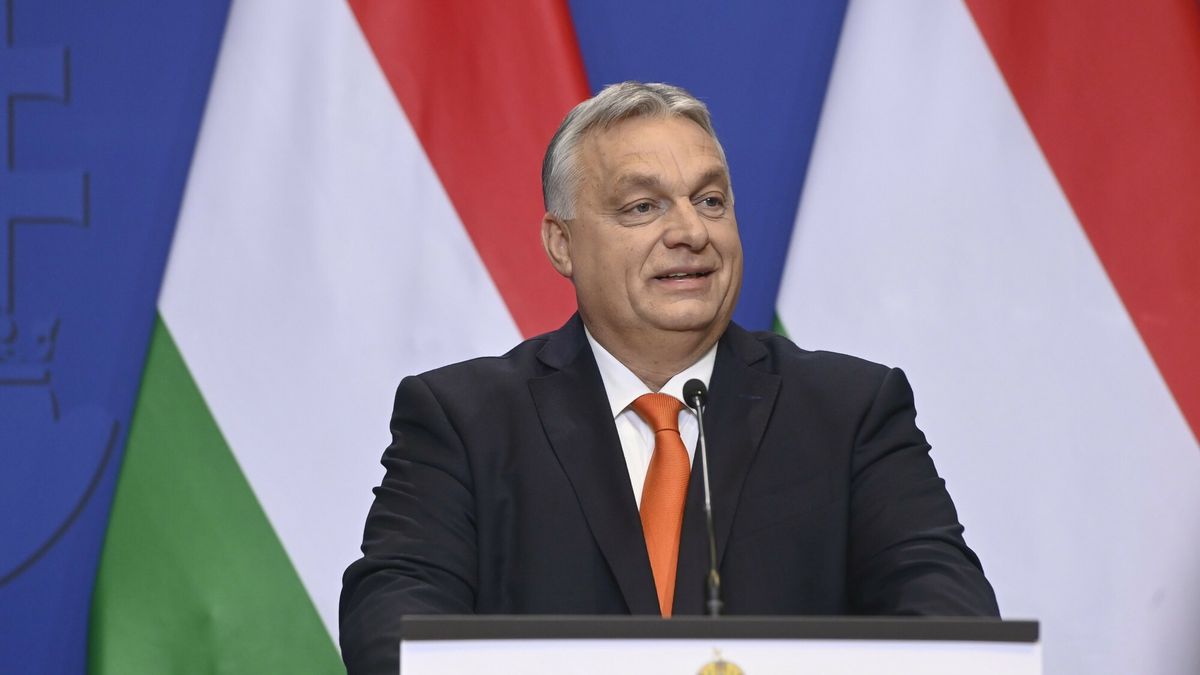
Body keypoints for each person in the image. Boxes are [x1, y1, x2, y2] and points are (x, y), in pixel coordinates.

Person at [340, 81, 998, 673]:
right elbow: (395, 636)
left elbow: (953, 626)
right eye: (641, 207)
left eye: (710, 199)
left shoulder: (850, 412)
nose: (690, 231)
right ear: (561, 244)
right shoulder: (464, 420)